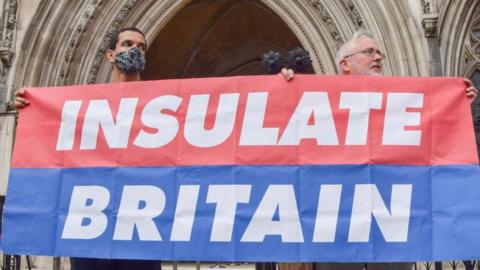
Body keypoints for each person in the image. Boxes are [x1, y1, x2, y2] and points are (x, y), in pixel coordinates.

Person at [278, 30, 478, 270]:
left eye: (379, 53)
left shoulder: (399, 104)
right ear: (345, 64)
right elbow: (283, 132)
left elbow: (429, 140)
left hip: (388, 222)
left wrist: (454, 104)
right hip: (335, 224)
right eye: (368, 52)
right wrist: (284, 89)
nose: (378, 57)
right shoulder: (317, 101)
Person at [13, 27, 161, 270]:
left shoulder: (160, 102)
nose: (135, 49)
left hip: (140, 225)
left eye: (141, 46)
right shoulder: (85, 103)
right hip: (91, 222)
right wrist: (31, 106)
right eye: (127, 44)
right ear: (111, 55)